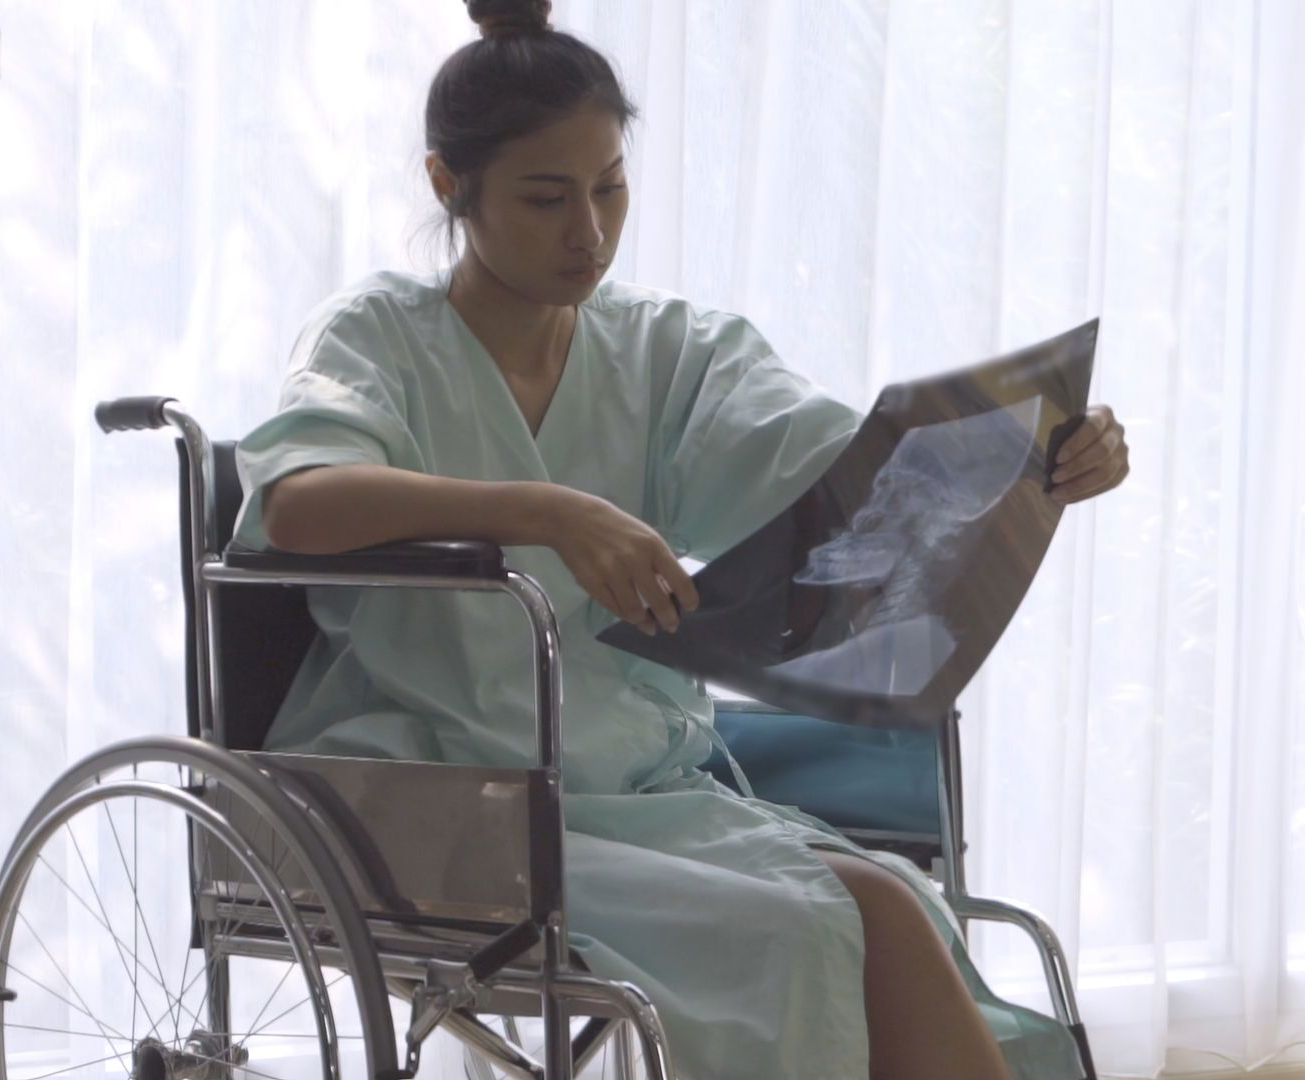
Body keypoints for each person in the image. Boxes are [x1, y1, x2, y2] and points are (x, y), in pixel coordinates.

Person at [232, 2, 1131, 1077]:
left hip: (634, 784)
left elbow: (847, 475)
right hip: (443, 793)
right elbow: (299, 500)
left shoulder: (665, 350)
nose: (590, 233)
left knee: (899, 907)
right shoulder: (373, 334)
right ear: (448, 187)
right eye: (547, 197)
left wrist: (1036, 454)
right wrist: (543, 508)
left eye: (611, 187)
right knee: (797, 939)